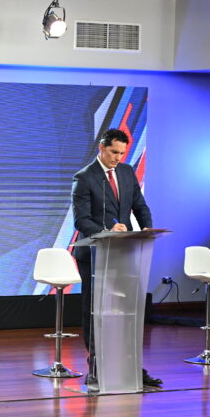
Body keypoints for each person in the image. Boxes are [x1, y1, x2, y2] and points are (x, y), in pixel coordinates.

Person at [71, 128, 162, 387]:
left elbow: (139, 205)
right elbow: (81, 220)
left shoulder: (126, 172)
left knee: (126, 309)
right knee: (95, 310)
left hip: (124, 251)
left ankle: (131, 365)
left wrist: (146, 227)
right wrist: (107, 230)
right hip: (95, 253)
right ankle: (96, 366)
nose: (117, 158)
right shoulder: (84, 177)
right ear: (101, 147)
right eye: (113, 152)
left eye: (122, 153)